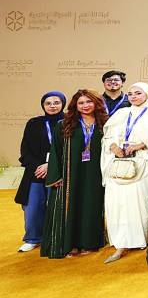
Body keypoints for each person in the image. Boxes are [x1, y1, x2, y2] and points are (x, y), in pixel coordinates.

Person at [42, 89, 107, 258]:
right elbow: (55, 151)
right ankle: (70, 244)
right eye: (81, 103)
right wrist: (56, 175)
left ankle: (89, 243)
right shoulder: (64, 124)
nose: (85, 106)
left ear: (96, 103)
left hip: (95, 174)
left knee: (91, 206)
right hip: (71, 174)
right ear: (75, 106)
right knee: (72, 207)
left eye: (89, 102)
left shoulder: (105, 124)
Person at [101, 81, 148, 263]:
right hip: (118, 164)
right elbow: (107, 134)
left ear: (147, 95)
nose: (133, 97)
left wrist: (138, 145)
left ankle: (143, 240)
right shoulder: (120, 113)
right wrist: (114, 146)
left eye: (138, 93)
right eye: (131, 94)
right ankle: (120, 244)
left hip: (142, 163)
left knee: (140, 204)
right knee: (117, 205)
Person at [15, 91, 65, 252]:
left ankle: (56, 238)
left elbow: (72, 149)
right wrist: (39, 166)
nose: (52, 106)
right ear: (43, 105)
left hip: (60, 172)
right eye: (48, 103)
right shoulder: (34, 123)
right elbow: (25, 150)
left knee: (59, 206)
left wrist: (50, 166)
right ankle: (33, 239)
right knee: (33, 206)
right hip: (35, 173)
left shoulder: (70, 122)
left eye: (56, 102)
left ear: (62, 104)